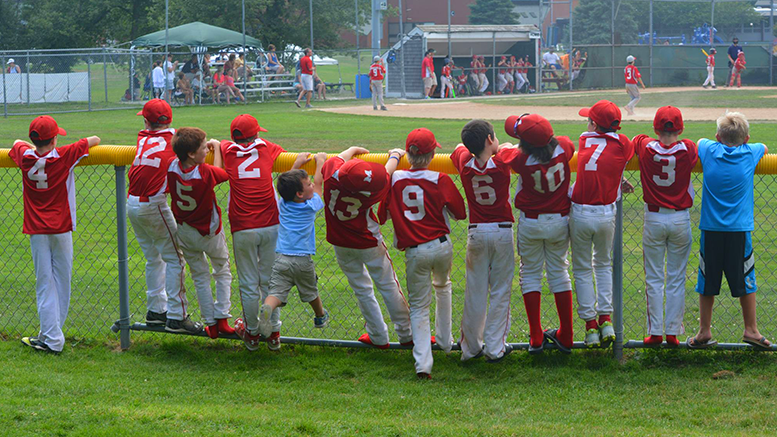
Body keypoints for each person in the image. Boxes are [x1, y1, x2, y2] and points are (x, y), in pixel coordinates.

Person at [377, 128, 466, 379]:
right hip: (441, 245)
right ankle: (446, 342)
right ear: (433, 153)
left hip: (415, 251)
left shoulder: (394, 179)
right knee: (443, 286)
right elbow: (460, 212)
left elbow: (381, 216)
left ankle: (423, 364)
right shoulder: (440, 178)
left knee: (419, 306)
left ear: (407, 153)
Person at [11, 116, 100, 353]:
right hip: (61, 228)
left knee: (45, 283)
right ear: (55, 139)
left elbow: (17, 142)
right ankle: (52, 336)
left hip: (37, 230)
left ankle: (52, 336)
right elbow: (95, 139)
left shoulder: (24, 155)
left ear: (33, 139)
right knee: (61, 280)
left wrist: (31, 147)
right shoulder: (64, 154)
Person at [688, 112, 771, 350]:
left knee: (707, 280)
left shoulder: (707, 149)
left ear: (717, 137)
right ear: (745, 139)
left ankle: (704, 331)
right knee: (745, 279)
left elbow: (701, 142)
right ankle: (751, 330)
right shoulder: (750, 152)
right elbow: (763, 147)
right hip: (738, 231)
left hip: (711, 231)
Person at [322, 146, 413, 349]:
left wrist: (351, 149)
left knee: (362, 289)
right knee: (388, 285)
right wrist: (395, 155)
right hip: (368, 241)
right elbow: (387, 173)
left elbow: (338, 158)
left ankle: (378, 336)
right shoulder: (371, 191)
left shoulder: (331, 176)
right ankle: (406, 334)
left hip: (340, 243)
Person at [503, 114, 576, 354]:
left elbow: (505, 153)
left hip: (531, 222)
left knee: (531, 273)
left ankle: (536, 335)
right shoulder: (564, 146)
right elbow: (561, 144)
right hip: (559, 220)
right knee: (559, 271)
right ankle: (566, 333)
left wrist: (513, 145)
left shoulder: (520, 158)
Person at [217, 114, 287, 351]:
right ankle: (274, 332)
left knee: (248, 283)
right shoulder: (267, 147)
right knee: (270, 280)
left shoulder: (226, 150)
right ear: (256, 135)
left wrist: (220, 144)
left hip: (243, 226)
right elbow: (278, 151)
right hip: (270, 223)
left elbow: (222, 143)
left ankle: (253, 334)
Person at [452, 120, 518, 363]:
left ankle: (470, 348)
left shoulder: (464, 162)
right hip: (501, 232)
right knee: (500, 290)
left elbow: (459, 148)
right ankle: (494, 347)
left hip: (476, 232)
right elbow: (511, 148)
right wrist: (502, 146)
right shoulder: (501, 161)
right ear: (490, 140)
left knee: (475, 291)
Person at [631, 106, 698, 348]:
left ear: (656, 127)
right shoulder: (689, 147)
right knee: (676, 278)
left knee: (654, 278)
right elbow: (690, 148)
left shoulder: (645, 145)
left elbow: (637, 140)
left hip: (654, 218)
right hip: (680, 218)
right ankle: (672, 332)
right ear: (680, 128)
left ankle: (655, 332)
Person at [572, 100, 635, 348]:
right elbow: (614, 157)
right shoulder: (623, 144)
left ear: (594, 124)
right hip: (606, 213)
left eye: (590, 119)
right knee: (603, 264)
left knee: (581, 268)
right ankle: (606, 319)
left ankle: (590, 327)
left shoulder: (583, 139)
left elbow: (595, 162)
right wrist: (620, 179)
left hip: (579, 212)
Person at [127, 99, 190, 332]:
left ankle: (156, 310)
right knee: (175, 258)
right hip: (154, 203)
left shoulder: (142, 136)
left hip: (132, 203)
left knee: (154, 258)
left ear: (146, 121)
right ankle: (176, 314)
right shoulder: (176, 140)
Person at [257, 152, 330, 349]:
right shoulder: (310, 206)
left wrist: (296, 164)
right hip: (302, 260)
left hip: (281, 258)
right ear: (300, 194)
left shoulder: (283, 203)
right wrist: (320, 162)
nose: (312, 186)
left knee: (277, 292)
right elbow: (320, 186)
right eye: (308, 185)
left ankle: (267, 308)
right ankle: (320, 316)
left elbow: (287, 186)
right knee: (310, 292)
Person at [167, 127, 234, 339]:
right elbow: (223, 174)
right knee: (222, 270)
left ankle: (210, 323)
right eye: (204, 148)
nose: (207, 150)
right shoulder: (205, 171)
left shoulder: (171, 165)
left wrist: (206, 148)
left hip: (185, 230)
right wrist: (219, 150)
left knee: (199, 276)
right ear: (191, 154)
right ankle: (222, 317)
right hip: (209, 231)